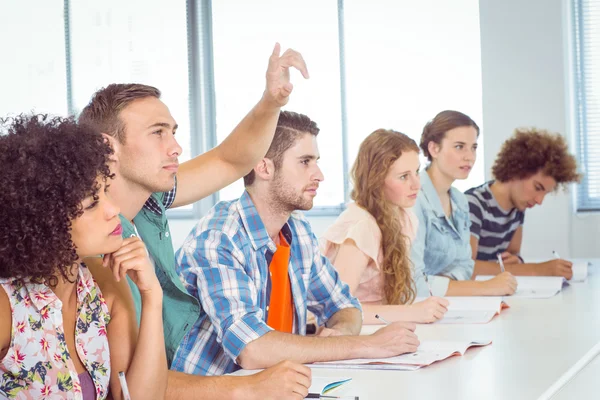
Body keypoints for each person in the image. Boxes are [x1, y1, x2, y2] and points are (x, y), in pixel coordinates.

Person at [78, 44, 314, 399]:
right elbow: (130, 387)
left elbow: (231, 160)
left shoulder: (149, 198)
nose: (176, 147)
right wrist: (248, 387)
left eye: (173, 131)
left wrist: (271, 102)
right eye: (158, 133)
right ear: (107, 147)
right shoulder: (91, 238)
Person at [173, 111, 420, 376]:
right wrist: (365, 345)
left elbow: (344, 304)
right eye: (305, 162)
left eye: (316, 161)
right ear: (264, 167)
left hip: (279, 386)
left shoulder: (298, 232)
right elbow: (252, 348)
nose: (320, 175)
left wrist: (340, 334)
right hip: (220, 390)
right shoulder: (220, 238)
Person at [0, 115, 166, 399]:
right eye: (92, 203)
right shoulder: (7, 306)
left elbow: (139, 396)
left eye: (105, 192)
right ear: (46, 222)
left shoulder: (104, 281)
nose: (113, 210)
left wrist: (152, 297)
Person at [320, 129, 448, 324]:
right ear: (376, 180)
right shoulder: (361, 225)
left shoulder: (406, 218)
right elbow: (336, 310)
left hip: (377, 328)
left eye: (416, 172)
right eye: (404, 176)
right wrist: (413, 313)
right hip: (349, 333)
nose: (416, 184)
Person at [410, 110, 518, 296]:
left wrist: (449, 286)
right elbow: (412, 283)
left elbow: (465, 265)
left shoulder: (460, 201)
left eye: (473, 147)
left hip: (450, 304)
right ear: (434, 149)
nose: (470, 156)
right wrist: (484, 287)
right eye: (459, 147)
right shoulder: (413, 198)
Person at [465, 128, 581, 278]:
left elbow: (513, 255)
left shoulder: (517, 209)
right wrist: (538, 270)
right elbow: (467, 268)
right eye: (537, 188)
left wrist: (516, 261)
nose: (539, 200)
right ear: (517, 171)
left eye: (545, 193)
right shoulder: (472, 204)